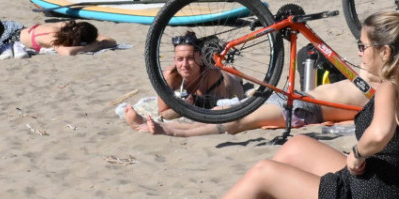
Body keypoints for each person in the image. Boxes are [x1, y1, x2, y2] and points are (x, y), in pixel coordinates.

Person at [147, 10, 399, 199]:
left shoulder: (390, 89)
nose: (359, 53)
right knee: (296, 147)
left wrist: (357, 153)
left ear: (384, 52)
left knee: (265, 173)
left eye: (363, 46)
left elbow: (380, 132)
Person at [125, 79, 368, 137]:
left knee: (236, 121)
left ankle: (167, 131)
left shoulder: (386, 94)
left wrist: (342, 124)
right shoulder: (375, 79)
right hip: (296, 96)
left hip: (306, 111)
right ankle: (163, 125)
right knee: (222, 113)